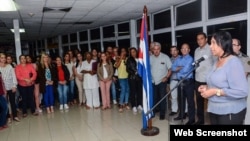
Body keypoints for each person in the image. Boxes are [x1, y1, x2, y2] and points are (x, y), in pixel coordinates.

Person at [198, 31, 248, 125]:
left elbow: (242, 91)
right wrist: (207, 88)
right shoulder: (217, 61)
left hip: (230, 112)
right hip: (214, 109)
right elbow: (218, 83)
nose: (210, 46)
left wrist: (214, 91)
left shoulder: (233, 62)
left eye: (213, 43)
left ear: (223, 44)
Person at [194, 32, 214, 125]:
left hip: (209, 80)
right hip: (198, 79)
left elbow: (216, 64)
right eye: (198, 39)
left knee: (212, 101)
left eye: (201, 38)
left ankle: (213, 121)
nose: (199, 41)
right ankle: (201, 120)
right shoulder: (196, 50)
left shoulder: (211, 49)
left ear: (206, 39)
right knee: (199, 102)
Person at [172, 43, 195, 125]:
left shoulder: (190, 59)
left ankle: (192, 119)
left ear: (189, 50)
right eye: (183, 48)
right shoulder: (178, 59)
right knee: (181, 100)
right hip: (180, 82)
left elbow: (186, 70)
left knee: (190, 102)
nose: (184, 50)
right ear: (181, 50)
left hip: (188, 82)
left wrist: (178, 69)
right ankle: (181, 115)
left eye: (186, 48)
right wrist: (179, 68)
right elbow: (173, 68)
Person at [150, 42, 172, 120]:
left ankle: (162, 114)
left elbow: (170, 69)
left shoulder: (165, 57)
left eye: (157, 49)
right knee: (154, 98)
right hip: (153, 82)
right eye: (154, 49)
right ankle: (154, 112)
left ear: (160, 49)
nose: (156, 51)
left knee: (162, 98)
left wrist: (166, 77)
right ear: (152, 50)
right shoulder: (150, 58)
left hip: (162, 82)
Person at [0, 53, 20, 122]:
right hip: (2, 88)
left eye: (4, 57)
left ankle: (15, 116)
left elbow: (14, 76)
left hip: (11, 86)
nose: (3, 59)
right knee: (5, 103)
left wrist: (14, 85)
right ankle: (8, 117)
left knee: (12, 102)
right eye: (2, 58)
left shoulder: (9, 66)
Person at [126, 47, 143, 113]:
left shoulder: (140, 58)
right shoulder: (129, 59)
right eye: (132, 52)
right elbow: (127, 69)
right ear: (130, 53)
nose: (133, 53)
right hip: (132, 78)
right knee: (133, 92)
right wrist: (134, 72)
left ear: (136, 52)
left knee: (139, 92)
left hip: (139, 78)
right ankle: (133, 106)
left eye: (134, 51)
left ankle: (139, 105)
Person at [114, 47, 130, 112]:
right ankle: (120, 104)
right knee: (123, 90)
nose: (123, 53)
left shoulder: (127, 59)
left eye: (124, 51)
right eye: (122, 51)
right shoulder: (118, 59)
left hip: (127, 77)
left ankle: (126, 103)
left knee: (127, 90)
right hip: (121, 77)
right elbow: (116, 66)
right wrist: (120, 59)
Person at [169, 46, 181, 116]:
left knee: (183, 97)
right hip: (173, 80)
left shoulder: (182, 58)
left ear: (178, 51)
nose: (173, 52)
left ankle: (185, 111)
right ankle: (174, 110)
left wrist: (173, 68)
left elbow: (183, 68)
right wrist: (177, 68)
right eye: (172, 51)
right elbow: (170, 69)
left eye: (175, 50)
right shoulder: (169, 60)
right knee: (173, 96)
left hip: (181, 80)